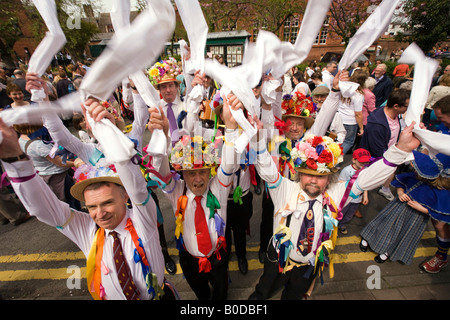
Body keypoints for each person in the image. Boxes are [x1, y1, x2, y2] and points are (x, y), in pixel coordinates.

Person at [0, 100, 177, 300]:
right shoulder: (87, 229)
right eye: (91, 207)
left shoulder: (141, 220)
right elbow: (44, 209)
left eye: (107, 203)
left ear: (124, 196)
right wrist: (15, 162)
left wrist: (108, 132)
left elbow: (138, 189)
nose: (99, 214)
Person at [247, 108, 421, 300]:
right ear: (299, 174)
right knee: (262, 291)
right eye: (308, 175)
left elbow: (367, 179)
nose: (313, 181)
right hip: (278, 258)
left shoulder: (337, 193)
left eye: (320, 177)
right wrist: (257, 139)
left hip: (309, 264)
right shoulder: (284, 189)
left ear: (329, 177)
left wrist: (400, 150)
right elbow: (266, 168)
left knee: (293, 297)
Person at [148, 91, 242, 300]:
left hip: (218, 257)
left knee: (220, 294)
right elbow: (162, 173)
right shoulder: (177, 191)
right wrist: (162, 136)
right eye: (191, 172)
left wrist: (232, 127)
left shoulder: (219, 187)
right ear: (182, 173)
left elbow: (228, 162)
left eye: (202, 172)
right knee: (201, 294)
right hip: (189, 260)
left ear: (210, 172)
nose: (198, 179)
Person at [360, 151, 450, 266]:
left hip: (416, 219)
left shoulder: (437, 191)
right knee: (384, 224)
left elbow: (438, 211)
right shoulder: (414, 177)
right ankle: (368, 238)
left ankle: (388, 252)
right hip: (397, 208)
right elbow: (400, 183)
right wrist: (401, 192)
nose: (415, 170)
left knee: (401, 234)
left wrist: (422, 209)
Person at [359, 88, 410, 201]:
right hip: (376, 158)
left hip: (388, 152)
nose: (408, 108)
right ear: (396, 106)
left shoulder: (393, 114)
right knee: (362, 184)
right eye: (406, 106)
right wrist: (391, 159)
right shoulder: (377, 124)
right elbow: (376, 149)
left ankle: (384, 188)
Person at [149, 58, 186, 147]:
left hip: (186, 152)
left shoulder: (186, 105)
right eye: (164, 87)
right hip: (165, 152)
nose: (168, 90)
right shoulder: (156, 109)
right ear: (160, 90)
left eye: (171, 86)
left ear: (177, 87)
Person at [337, 148, 371, 234]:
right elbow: (339, 182)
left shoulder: (365, 171)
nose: (363, 164)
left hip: (357, 200)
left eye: (365, 162)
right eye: (361, 162)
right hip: (346, 198)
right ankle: (335, 225)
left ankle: (342, 224)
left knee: (349, 215)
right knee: (341, 212)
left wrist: (365, 195)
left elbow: (365, 184)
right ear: (353, 160)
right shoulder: (347, 170)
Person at [337, 70, 366, 154]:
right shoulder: (358, 94)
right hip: (350, 121)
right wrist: (361, 128)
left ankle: (331, 159)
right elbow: (358, 113)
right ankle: (336, 160)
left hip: (339, 117)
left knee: (337, 140)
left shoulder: (344, 89)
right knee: (348, 142)